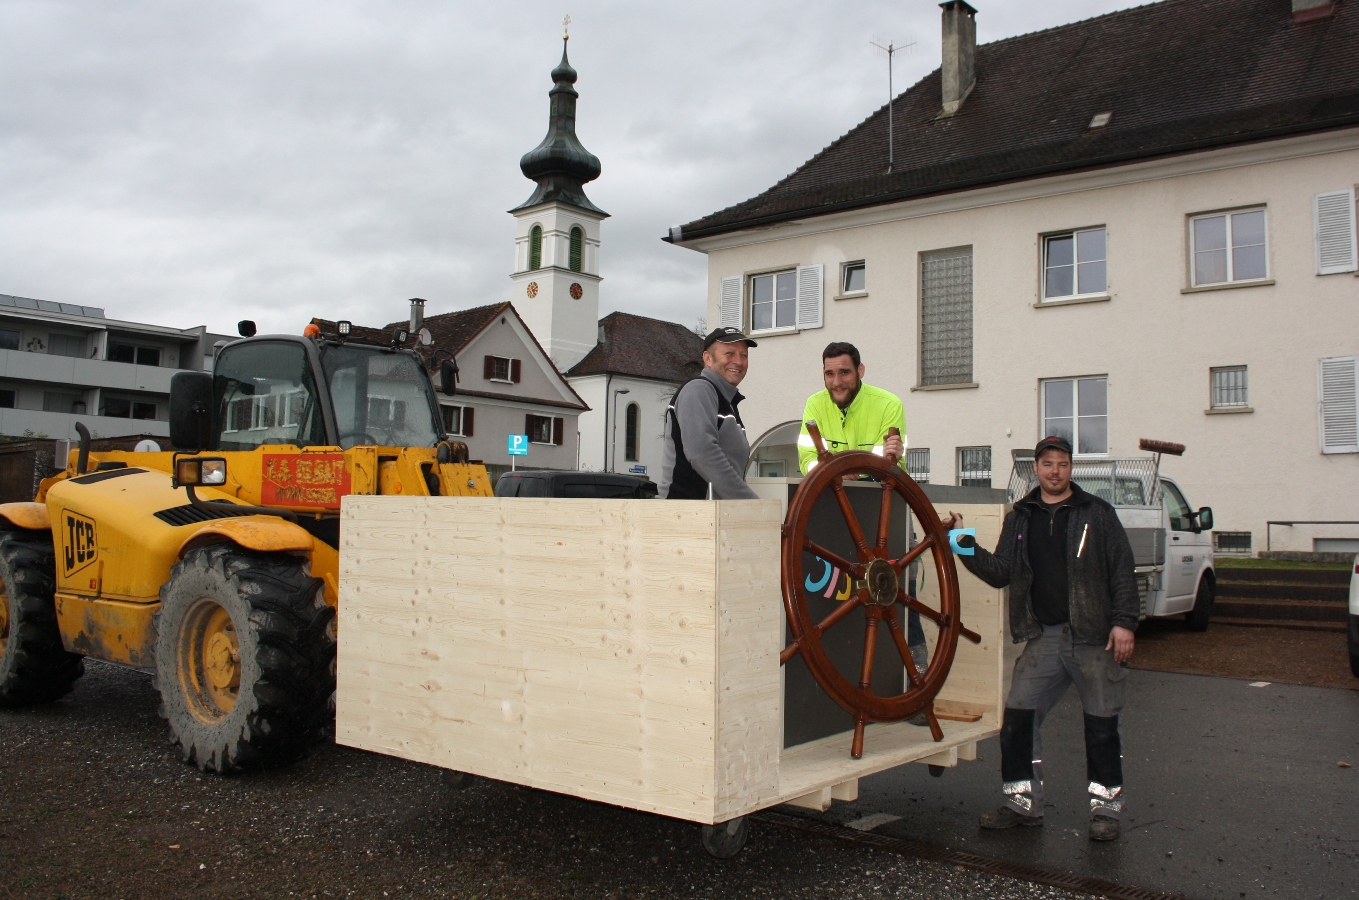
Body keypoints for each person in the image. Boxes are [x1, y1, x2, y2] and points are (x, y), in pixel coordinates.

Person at [943, 435, 1138, 842]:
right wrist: (960, 540)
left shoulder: (1097, 513)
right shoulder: (1021, 516)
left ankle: (1106, 810)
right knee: (1017, 718)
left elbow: (1121, 568)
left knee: (1102, 726)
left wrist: (1124, 622)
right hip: (1045, 637)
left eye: (1062, 464)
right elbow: (1001, 571)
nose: (1055, 471)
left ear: (1071, 468)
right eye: (1048, 464)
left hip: (1094, 639)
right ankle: (1022, 804)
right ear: (1036, 468)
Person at [796, 342, 928, 680]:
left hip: (883, 511)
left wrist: (847, 468)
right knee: (837, 593)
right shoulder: (814, 404)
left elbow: (891, 463)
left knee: (901, 587)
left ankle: (915, 662)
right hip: (836, 517)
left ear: (860, 371)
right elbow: (806, 459)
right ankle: (844, 663)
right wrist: (837, 471)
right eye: (829, 373)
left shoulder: (888, 404)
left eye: (844, 372)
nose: (836, 381)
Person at [659, 327, 760, 500]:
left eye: (744, 355)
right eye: (729, 354)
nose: (738, 361)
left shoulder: (725, 401)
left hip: (715, 513)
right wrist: (750, 502)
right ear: (708, 359)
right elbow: (703, 453)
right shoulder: (699, 390)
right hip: (689, 511)